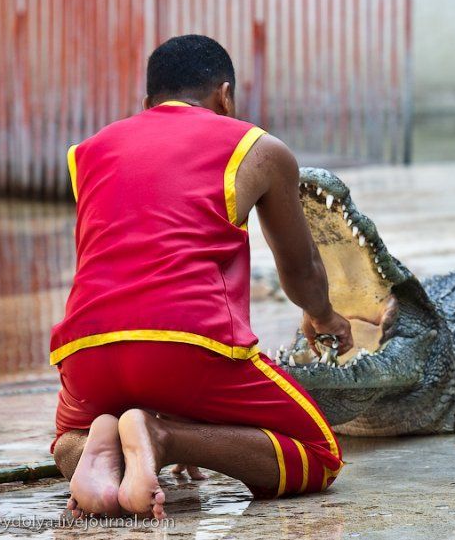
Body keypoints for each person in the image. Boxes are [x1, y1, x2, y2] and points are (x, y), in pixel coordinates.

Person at [49, 34, 354, 519]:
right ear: (224, 95)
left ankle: (104, 446)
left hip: (87, 352)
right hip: (190, 343)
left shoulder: (87, 151)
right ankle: (159, 436)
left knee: (69, 441)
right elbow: (301, 271)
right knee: (320, 456)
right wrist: (323, 315)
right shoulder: (259, 147)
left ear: (147, 103)